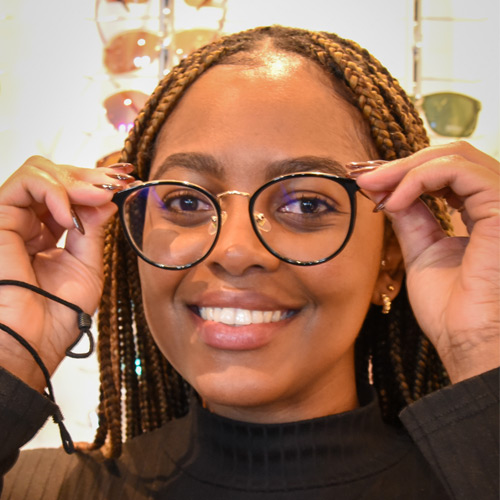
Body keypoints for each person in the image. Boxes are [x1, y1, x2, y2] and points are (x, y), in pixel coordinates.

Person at [0, 25, 498, 499]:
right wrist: (12, 353)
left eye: (306, 204)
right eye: (186, 202)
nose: (234, 251)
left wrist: (483, 348)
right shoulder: (37, 490)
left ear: (390, 259)